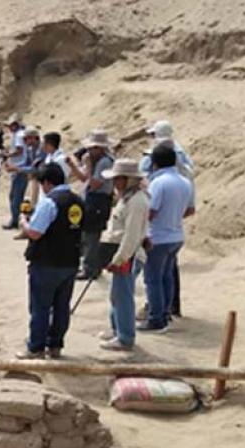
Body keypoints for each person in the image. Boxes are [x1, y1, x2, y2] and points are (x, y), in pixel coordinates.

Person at [18, 163, 85, 359]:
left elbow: (35, 233)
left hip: (46, 262)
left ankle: (36, 347)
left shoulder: (49, 203)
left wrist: (23, 222)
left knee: (40, 307)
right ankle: (55, 345)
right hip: (70, 262)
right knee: (62, 307)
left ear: (47, 183)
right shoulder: (77, 201)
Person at [139, 121, 195, 319]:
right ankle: (167, 312)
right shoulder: (185, 180)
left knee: (153, 279)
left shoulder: (158, 183)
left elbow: (151, 211)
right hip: (176, 235)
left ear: (155, 163)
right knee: (167, 276)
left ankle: (156, 317)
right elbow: (190, 209)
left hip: (158, 236)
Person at [96, 159, 150, 351]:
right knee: (116, 294)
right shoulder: (128, 197)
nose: (114, 182)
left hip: (128, 255)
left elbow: (131, 236)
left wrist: (119, 259)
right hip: (121, 251)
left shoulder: (137, 201)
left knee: (123, 296)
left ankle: (125, 337)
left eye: (118, 178)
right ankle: (117, 329)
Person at [68, 129, 116, 280]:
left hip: (99, 201)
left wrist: (88, 166)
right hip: (92, 200)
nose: (89, 151)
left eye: (93, 148)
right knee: (87, 235)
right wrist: (73, 166)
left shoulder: (105, 162)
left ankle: (91, 269)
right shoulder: (97, 161)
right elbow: (84, 179)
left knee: (91, 236)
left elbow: (94, 184)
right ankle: (89, 266)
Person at [4, 126, 41, 230]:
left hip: (40, 177)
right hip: (29, 173)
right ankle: (17, 219)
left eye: (26, 139)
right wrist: (15, 167)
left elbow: (35, 167)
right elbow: (27, 163)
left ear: (33, 138)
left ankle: (17, 221)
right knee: (13, 196)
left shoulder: (40, 149)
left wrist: (17, 168)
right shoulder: (30, 149)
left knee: (18, 197)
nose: (24, 141)